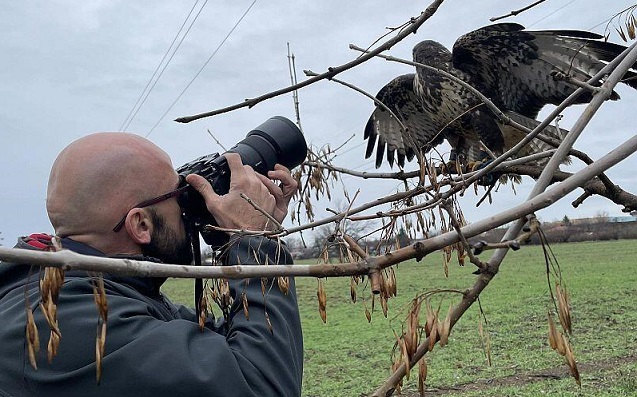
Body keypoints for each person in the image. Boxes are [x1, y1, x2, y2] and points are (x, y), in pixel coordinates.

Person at [0, 133, 304, 397]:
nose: (189, 206)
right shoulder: (58, 318)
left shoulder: (97, 288)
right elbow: (260, 385)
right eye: (178, 197)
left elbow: (227, 347)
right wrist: (254, 243)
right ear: (141, 224)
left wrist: (236, 236)